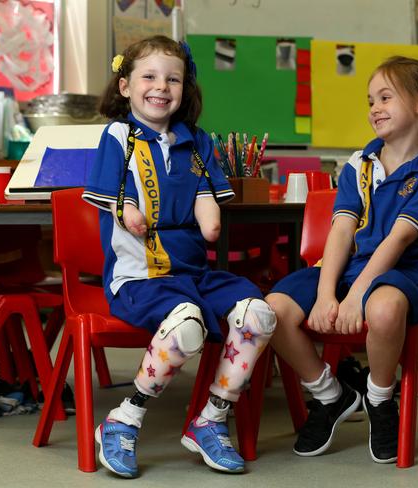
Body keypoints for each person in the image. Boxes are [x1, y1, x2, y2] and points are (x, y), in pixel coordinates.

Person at [82, 35, 276, 478]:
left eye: (173, 79)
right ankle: (124, 419)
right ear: (125, 85)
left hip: (194, 274)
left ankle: (210, 418)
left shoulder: (196, 140)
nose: (161, 86)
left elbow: (208, 193)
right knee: (186, 322)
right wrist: (125, 207)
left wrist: (209, 217)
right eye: (149, 76)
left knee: (259, 315)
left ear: (185, 89)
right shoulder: (118, 136)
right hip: (139, 278)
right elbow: (107, 192)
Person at [265, 56, 418, 463]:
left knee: (385, 311)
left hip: (397, 272)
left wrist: (356, 297)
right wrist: (325, 293)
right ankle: (329, 394)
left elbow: (398, 240)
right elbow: (340, 230)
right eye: (370, 100)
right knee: (272, 311)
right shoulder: (359, 163)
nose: (374, 108)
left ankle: (380, 398)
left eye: (385, 97)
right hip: (346, 270)